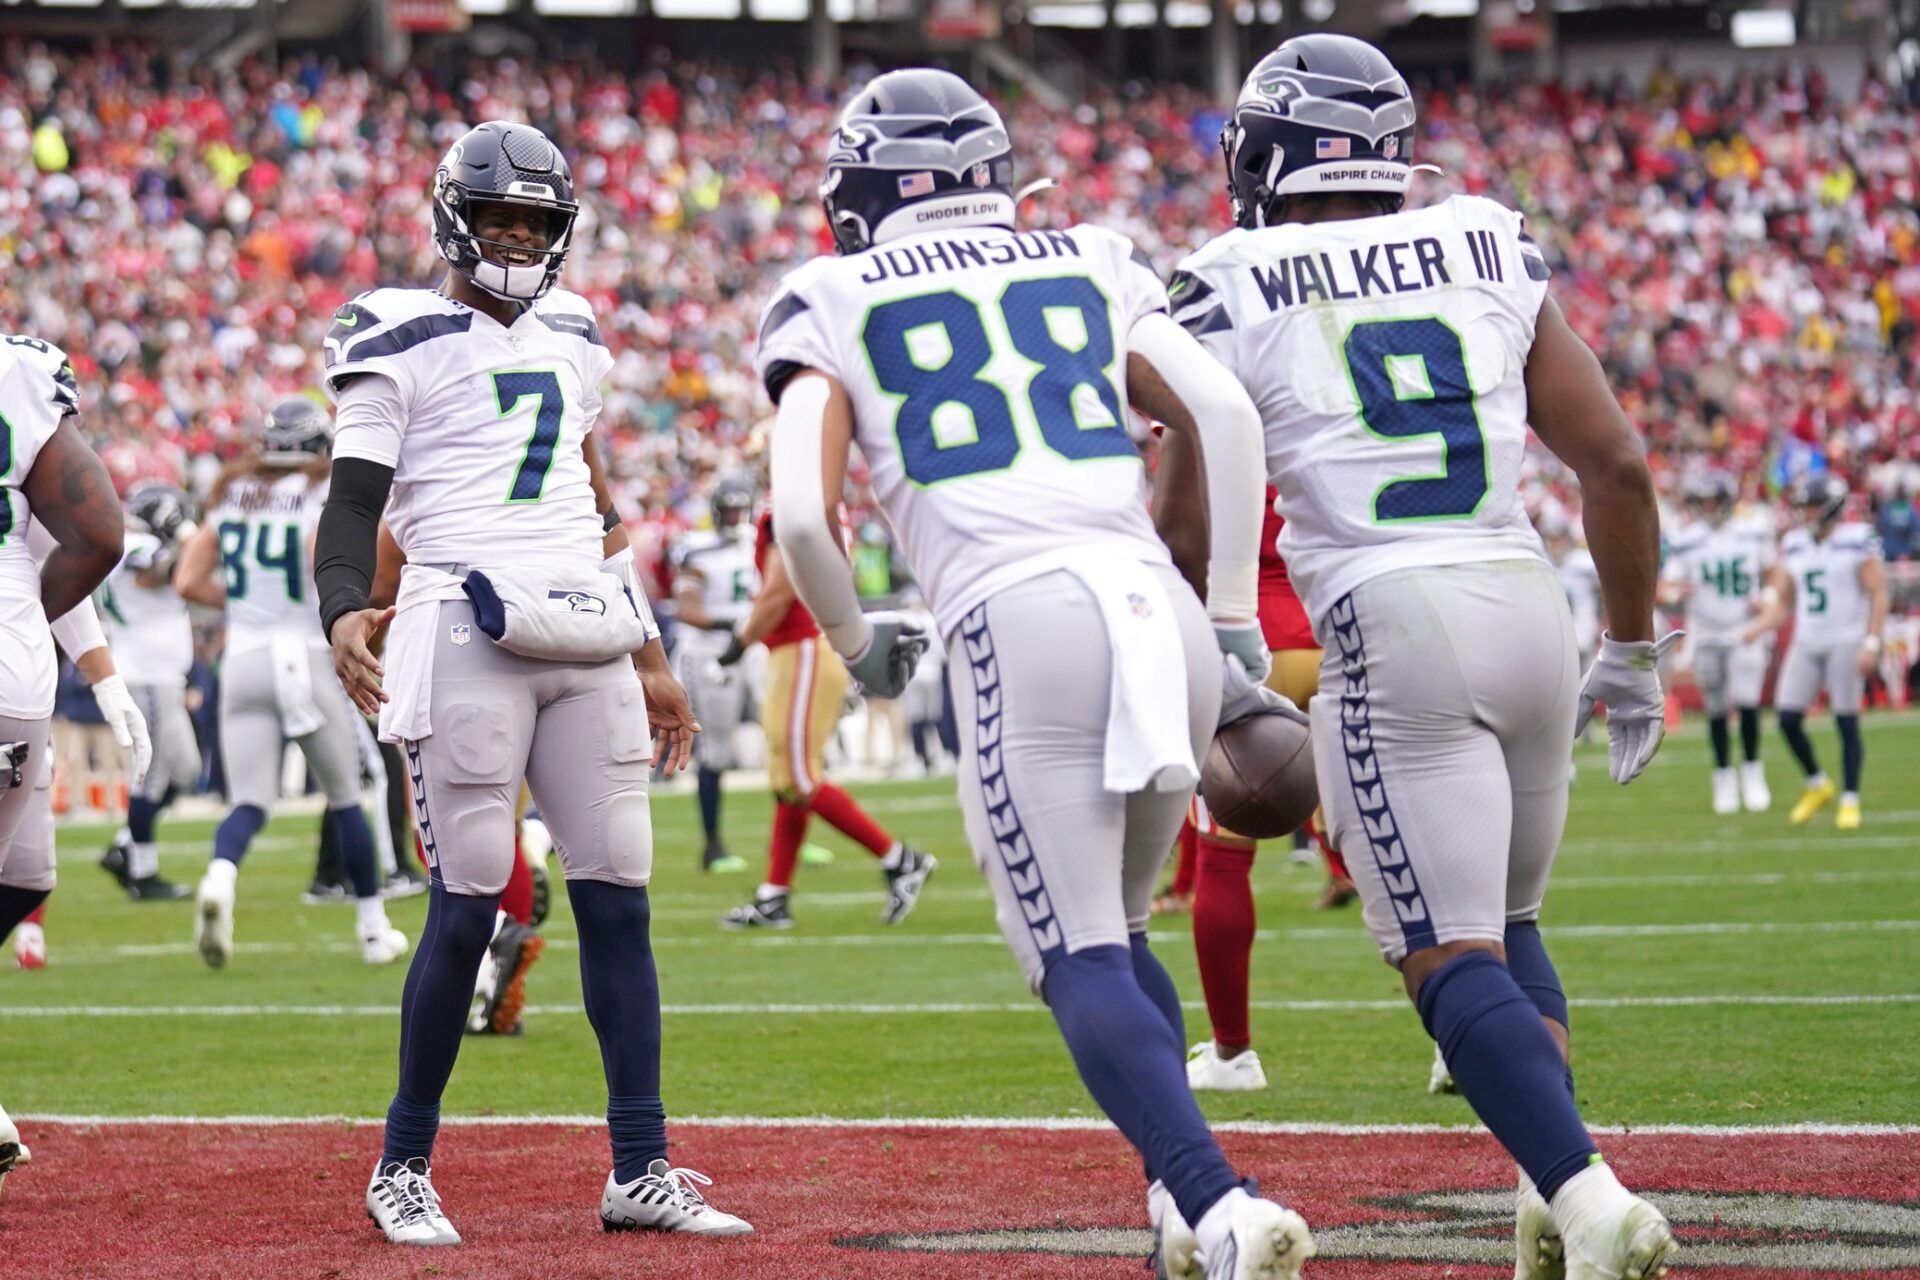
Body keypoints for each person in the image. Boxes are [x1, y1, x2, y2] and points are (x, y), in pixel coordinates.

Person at [759, 70, 1312, 1280]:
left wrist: (857, 641)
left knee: (1072, 952)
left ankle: (1222, 1206)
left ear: (856, 196)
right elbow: (1222, 408)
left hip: (1021, 611)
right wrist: (1224, 613)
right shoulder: (1090, 252)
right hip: (1148, 596)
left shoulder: (831, 293)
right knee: (1117, 926)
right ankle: (1181, 1200)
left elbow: (803, 513)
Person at [1172, 35, 1680, 1279]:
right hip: (1527, 600)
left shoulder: (1230, 274)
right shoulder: (1487, 236)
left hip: (1392, 625)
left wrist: (1213, 648)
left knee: (1442, 955)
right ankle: (1545, 1207)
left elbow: (1182, 520)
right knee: (1507, 922)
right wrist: (1633, 647)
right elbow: (1614, 460)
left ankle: (1596, 1197)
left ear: (1275, 151)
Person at [314, 120, 748, 1246]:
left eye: (534, 221)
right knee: (471, 893)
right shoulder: (394, 329)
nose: (515, 235)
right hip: (462, 616)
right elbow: (354, 497)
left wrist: (650, 650)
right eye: (500, 216)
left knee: (618, 896)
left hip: (587, 626)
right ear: (457, 217)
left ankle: (640, 1166)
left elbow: (590, 500)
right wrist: (341, 605)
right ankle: (402, 1162)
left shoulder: (572, 331)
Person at [174, 396, 406, 969]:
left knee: (250, 800)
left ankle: (220, 879)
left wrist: (251, 604)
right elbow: (332, 569)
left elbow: (187, 579)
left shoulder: (231, 494)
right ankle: (373, 927)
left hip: (244, 656)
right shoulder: (320, 494)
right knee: (349, 793)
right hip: (303, 653)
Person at [0, 333, 129, 1198]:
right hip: (6, 673)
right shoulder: (19, 366)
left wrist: (99, 670)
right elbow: (90, 534)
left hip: (13, 665)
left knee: (25, 875)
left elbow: (55, 540)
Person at [715, 507, 935, 929]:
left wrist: (739, 643)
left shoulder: (788, 510)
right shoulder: (818, 507)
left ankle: (899, 859)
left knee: (797, 777)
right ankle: (774, 896)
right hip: (800, 651)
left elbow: (780, 592)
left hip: (802, 649)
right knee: (787, 782)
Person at [1744, 474, 1888, 829]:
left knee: (1846, 720)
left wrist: (1872, 642)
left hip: (1846, 637)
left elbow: (1879, 593)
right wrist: (1759, 627)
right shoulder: (1795, 544)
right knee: (1788, 718)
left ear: (1831, 507)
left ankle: (1850, 798)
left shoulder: (1857, 540)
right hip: (1807, 640)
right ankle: (1817, 782)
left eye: (1811, 506)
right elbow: (1786, 602)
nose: (1805, 513)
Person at [98, 482, 199, 898]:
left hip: (162, 676)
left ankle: (125, 845)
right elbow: (153, 574)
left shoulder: (136, 541)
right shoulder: (134, 544)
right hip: (146, 674)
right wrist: (186, 542)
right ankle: (142, 873)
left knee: (187, 771)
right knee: (150, 776)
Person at [1660, 472, 1774, 813]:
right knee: (1716, 708)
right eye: (1704, 502)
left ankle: (1753, 771)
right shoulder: (1688, 539)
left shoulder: (1751, 532)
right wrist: (1674, 592)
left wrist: (1766, 596)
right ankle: (1724, 775)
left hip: (1744, 629)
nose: (1709, 508)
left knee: (1748, 700)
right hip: (1706, 632)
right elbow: (1667, 587)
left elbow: (1775, 573)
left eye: (1714, 501)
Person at [669, 478, 757, 872]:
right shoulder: (698, 550)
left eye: (742, 509)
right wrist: (732, 624)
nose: (736, 518)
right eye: (731, 509)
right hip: (709, 655)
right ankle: (713, 844)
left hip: (752, 648)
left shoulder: (757, 542)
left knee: (785, 739)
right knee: (717, 748)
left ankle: (792, 837)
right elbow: (686, 610)